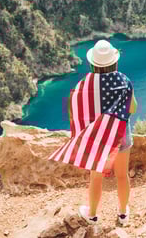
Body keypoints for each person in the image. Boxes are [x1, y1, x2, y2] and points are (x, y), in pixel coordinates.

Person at [48, 39, 137, 226]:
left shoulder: (85, 84)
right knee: (122, 175)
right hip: (121, 134)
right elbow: (133, 108)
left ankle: (93, 215)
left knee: (95, 177)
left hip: (97, 137)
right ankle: (123, 213)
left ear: (93, 63)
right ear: (114, 61)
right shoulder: (124, 80)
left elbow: (76, 108)